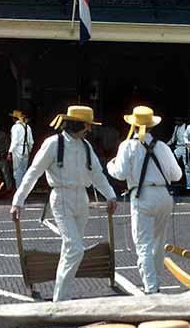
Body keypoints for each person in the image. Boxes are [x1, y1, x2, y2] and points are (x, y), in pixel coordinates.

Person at [10, 105, 117, 302]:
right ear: (79, 124)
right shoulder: (53, 143)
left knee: (70, 250)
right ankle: (61, 299)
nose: (90, 129)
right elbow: (34, 172)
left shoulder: (85, 146)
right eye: (87, 125)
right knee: (75, 247)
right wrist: (18, 201)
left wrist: (110, 195)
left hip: (82, 199)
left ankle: (61, 298)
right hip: (61, 198)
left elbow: (96, 174)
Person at [106, 106, 182, 294]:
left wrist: (110, 165)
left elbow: (120, 173)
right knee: (158, 243)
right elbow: (177, 175)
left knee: (143, 245)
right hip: (164, 196)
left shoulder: (127, 146)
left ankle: (150, 287)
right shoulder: (163, 146)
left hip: (143, 196)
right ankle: (155, 282)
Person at [9, 110, 35, 189]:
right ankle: (24, 190)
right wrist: (28, 150)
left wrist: (9, 152)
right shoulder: (27, 127)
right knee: (24, 171)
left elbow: (14, 141)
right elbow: (31, 142)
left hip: (17, 150)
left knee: (17, 172)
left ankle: (19, 191)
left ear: (14, 119)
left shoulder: (15, 127)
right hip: (26, 150)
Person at [169, 116, 190, 192]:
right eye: (176, 121)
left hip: (186, 148)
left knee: (187, 167)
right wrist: (166, 144)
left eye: (179, 120)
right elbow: (173, 139)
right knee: (172, 164)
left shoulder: (187, 127)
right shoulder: (176, 127)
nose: (177, 122)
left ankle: (189, 186)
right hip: (178, 148)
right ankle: (172, 182)